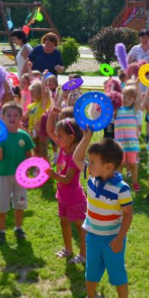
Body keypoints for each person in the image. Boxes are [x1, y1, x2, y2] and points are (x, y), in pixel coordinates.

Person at [74, 135, 134, 298]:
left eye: (92, 162)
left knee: (117, 272)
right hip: (92, 236)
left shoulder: (121, 189)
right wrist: (86, 138)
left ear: (108, 166)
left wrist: (119, 238)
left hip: (112, 239)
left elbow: (127, 215)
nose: (88, 164)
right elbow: (76, 159)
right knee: (91, 271)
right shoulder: (92, 176)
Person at [46, 110, 87, 265]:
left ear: (71, 138)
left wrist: (54, 176)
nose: (57, 137)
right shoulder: (63, 147)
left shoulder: (75, 157)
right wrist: (52, 114)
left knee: (80, 227)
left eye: (60, 135)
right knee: (63, 223)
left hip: (74, 199)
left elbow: (68, 178)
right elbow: (49, 130)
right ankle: (68, 249)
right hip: (62, 197)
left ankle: (84, 254)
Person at [0, 101, 35, 244]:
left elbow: (29, 154)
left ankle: (18, 227)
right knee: (2, 205)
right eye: (8, 115)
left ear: (21, 117)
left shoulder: (24, 136)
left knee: (19, 203)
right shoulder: (0, 136)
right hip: (4, 176)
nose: (12, 118)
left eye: (16, 115)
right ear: (2, 117)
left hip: (20, 178)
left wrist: (33, 167)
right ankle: (1, 231)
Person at [115, 85, 146, 192]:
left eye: (130, 98)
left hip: (132, 143)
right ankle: (119, 184)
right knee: (120, 164)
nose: (127, 100)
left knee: (132, 164)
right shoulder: (118, 110)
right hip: (120, 143)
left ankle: (135, 182)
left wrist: (137, 84)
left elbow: (140, 99)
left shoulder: (134, 110)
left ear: (134, 99)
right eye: (125, 97)